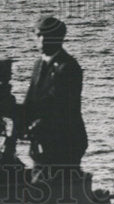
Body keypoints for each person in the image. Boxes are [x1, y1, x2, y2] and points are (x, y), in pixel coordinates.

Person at [22, 15, 88, 169]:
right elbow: (30, 99)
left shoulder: (68, 67)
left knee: (59, 181)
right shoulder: (39, 64)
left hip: (65, 142)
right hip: (42, 141)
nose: (42, 40)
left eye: (47, 35)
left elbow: (57, 105)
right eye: (39, 35)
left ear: (59, 38)